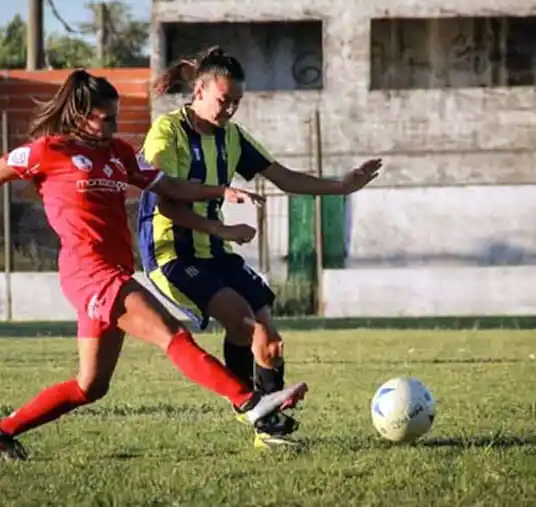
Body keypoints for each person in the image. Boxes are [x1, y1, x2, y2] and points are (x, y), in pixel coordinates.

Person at [0, 70, 308, 461]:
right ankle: (251, 404)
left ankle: (0, 433)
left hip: (112, 272)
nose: (114, 125)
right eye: (105, 117)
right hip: (89, 274)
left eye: (116, 116)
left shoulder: (119, 152)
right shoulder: (45, 151)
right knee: (172, 334)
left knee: (90, 386)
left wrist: (219, 193)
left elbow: (170, 184)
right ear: (79, 114)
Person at [136, 46, 381, 449]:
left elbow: (284, 177)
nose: (230, 110)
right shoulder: (167, 131)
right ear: (199, 90)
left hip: (215, 247)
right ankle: (256, 412)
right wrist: (222, 226)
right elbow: (166, 200)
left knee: (270, 339)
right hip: (172, 254)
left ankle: (272, 427)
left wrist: (342, 185)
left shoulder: (232, 138)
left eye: (236, 103)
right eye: (223, 100)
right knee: (244, 324)